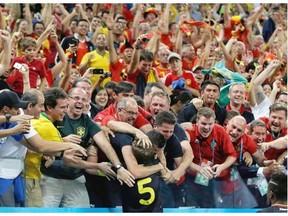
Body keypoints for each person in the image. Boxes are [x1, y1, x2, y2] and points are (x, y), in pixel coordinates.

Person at [42, 87, 134, 207]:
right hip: (50, 177)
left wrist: (119, 167)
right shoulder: (54, 115)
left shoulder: (87, 121)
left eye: (85, 99)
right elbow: (41, 143)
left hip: (75, 178)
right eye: (76, 98)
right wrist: (63, 142)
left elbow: (105, 145)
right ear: (67, 100)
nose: (80, 101)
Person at [0, 89, 85, 207]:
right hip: (9, 177)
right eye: (41, 105)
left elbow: (34, 146)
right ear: (6, 109)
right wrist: (68, 145)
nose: (43, 109)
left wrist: (54, 152)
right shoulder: (18, 121)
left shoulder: (18, 121)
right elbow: (41, 145)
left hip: (15, 176)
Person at [184, 107, 237, 208]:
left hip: (213, 181)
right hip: (190, 181)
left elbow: (232, 155)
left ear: (215, 122)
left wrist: (222, 166)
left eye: (210, 124)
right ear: (197, 121)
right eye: (203, 123)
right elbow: (181, 160)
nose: (207, 127)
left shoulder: (220, 131)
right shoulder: (188, 132)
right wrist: (199, 169)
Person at [121, 130, 167, 212]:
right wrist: (161, 166)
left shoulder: (124, 165)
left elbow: (167, 176)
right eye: (155, 151)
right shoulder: (156, 164)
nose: (156, 153)